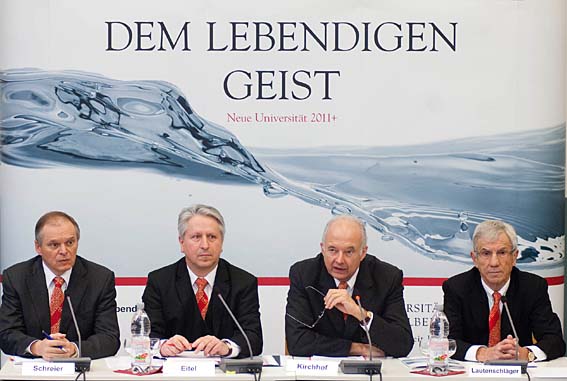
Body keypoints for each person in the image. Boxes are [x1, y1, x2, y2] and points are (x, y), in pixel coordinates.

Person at [142, 204, 262, 358]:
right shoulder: (159, 281)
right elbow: (147, 337)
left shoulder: (243, 282)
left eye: (212, 237)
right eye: (196, 237)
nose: (205, 245)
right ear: (181, 242)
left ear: (222, 242)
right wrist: (163, 346)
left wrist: (226, 347)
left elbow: (253, 338)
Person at [285, 215, 413, 357]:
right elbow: (297, 342)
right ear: (323, 248)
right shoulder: (304, 275)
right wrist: (358, 348)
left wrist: (362, 315)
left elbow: (403, 345)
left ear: (363, 252)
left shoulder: (387, 277)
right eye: (332, 250)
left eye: (349, 252)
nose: (339, 260)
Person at [0, 211, 120, 360]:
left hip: (79, 372)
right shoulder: (16, 278)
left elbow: (110, 338)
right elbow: (6, 334)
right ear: (38, 247)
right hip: (34, 370)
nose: (64, 251)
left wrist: (74, 349)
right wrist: (37, 347)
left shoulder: (100, 279)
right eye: (54, 245)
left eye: (70, 242)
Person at [443, 220, 566, 362]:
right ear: (474, 258)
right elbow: (447, 342)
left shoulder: (533, 287)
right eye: (486, 253)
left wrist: (526, 353)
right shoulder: (457, 288)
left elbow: (555, 340)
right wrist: (483, 353)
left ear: (514, 257)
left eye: (502, 252)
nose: (494, 262)